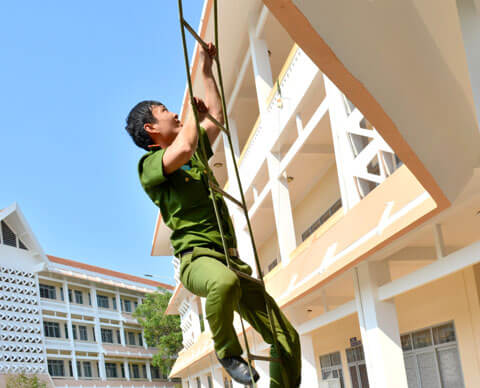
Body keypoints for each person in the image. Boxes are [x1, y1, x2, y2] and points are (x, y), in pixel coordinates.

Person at [125, 42, 301, 387]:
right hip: (199, 261)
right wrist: (192, 109)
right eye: (165, 111)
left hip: (233, 263)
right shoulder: (150, 166)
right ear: (150, 129)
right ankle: (226, 349)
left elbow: (216, 119)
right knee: (223, 282)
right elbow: (186, 143)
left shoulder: (192, 158)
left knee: (286, 339)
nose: (174, 114)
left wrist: (205, 70)